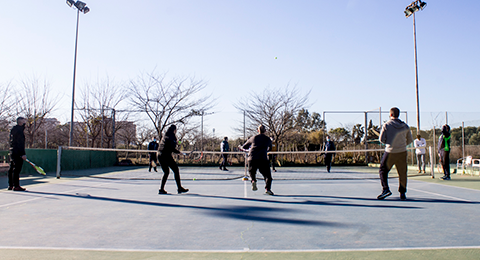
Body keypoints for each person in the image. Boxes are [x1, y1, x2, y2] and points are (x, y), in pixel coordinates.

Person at [377, 107, 413, 201]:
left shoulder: (387, 125)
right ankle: (402, 193)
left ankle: (385, 189)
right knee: (402, 173)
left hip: (390, 152)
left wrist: (390, 143)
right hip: (402, 152)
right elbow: (410, 139)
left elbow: (381, 139)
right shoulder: (405, 126)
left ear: (391, 115)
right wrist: (401, 145)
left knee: (383, 170)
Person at [241, 125, 274, 195]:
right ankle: (268, 189)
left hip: (252, 158)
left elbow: (244, 146)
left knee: (252, 172)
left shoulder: (253, 138)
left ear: (258, 130)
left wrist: (248, 148)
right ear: (265, 131)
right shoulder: (268, 139)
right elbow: (270, 148)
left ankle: (253, 180)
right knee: (268, 176)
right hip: (263, 158)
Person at [158, 125, 188, 194]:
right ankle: (179, 188)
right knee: (176, 170)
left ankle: (161, 189)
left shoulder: (165, 136)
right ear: (174, 130)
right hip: (166, 155)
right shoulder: (172, 136)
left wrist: (176, 145)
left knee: (166, 172)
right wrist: (179, 152)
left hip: (159, 155)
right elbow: (172, 148)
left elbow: (169, 145)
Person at [8, 117, 27, 191]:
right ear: (20, 122)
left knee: (12, 168)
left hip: (12, 151)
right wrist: (23, 154)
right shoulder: (19, 131)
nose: (25, 122)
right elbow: (20, 143)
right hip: (18, 152)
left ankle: (11, 185)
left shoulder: (13, 129)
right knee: (16, 169)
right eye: (23, 121)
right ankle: (16, 186)